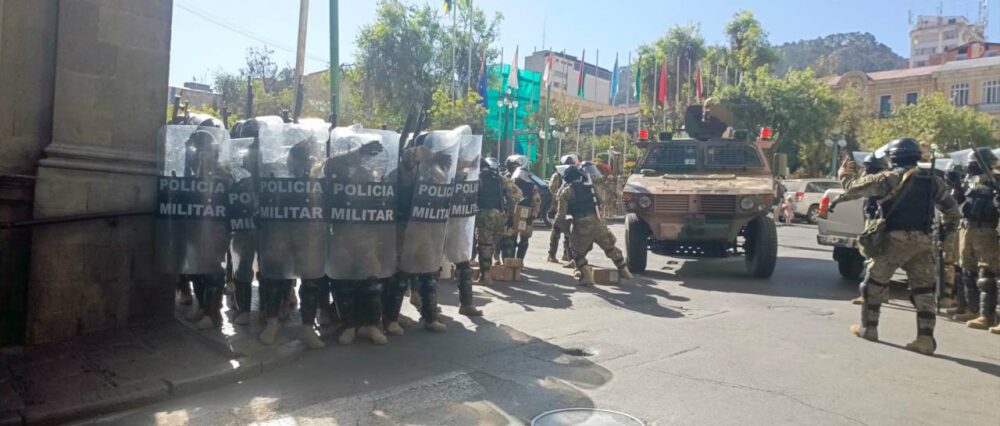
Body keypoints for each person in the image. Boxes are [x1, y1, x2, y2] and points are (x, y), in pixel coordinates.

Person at [835, 138, 960, 355]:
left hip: (893, 241)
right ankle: (925, 340)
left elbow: (852, 189)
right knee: (924, 290)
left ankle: (868, 329)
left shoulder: (888, 178)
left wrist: (843, 174)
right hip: (922, 241)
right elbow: (953, 212)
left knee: (872, 284)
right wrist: (943, 235)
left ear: (893, 157)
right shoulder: (933, 180)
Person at [325, 127, 398, 345]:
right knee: (345, 284)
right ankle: (349, 325)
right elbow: (328, 166)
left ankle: (371, 325)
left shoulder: (369, 175)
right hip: (343, 237)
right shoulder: (338, 169)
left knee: (371, 284)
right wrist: (356, 153)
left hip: (368, 237)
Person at [556, 165, 633, 285]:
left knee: (576, 251)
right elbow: (600, 201)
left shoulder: (566, 192)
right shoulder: (590, 187)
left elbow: (561, 215)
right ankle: (624, 270)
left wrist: (559, 226)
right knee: (609, 246)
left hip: (582, 225)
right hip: (598, 221)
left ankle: (586, 276)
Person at [957, 148, 999, 330]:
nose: (970, 165)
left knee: (987, 273)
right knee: (967, 269)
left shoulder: (996, 180)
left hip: (986, 229)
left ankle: (986, 316)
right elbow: (959, 201)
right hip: (968, 227)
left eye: (974, 162)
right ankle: (973, 308)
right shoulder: (971, 180)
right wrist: (957, 187)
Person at [475, 157, 520, 286]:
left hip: (485, 214)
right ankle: (491, 272)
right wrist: (511, 217)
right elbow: (514, 197)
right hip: (500, 215)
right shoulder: (500, 178)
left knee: (484, 246)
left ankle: (486, 276)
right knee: (492, 244)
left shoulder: (478, 177)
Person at [506, 155, 541, 260]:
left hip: (523, 214)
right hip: (523, 215)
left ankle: (515, 261)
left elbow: (537, 201)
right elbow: (537, 202)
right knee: (517, 239)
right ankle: (515, 262)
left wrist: (533, 216)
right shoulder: (512, 183)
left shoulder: (513, 184)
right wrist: (533, 216)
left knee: (518, 239)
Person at [548, 154, 578, 263]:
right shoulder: (573, 174)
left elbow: (551, 189)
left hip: (562, 205)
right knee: (564, 231)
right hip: (564, 206)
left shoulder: (558, 175)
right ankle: (557, 254)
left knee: (561, 232)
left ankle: (558, 255)